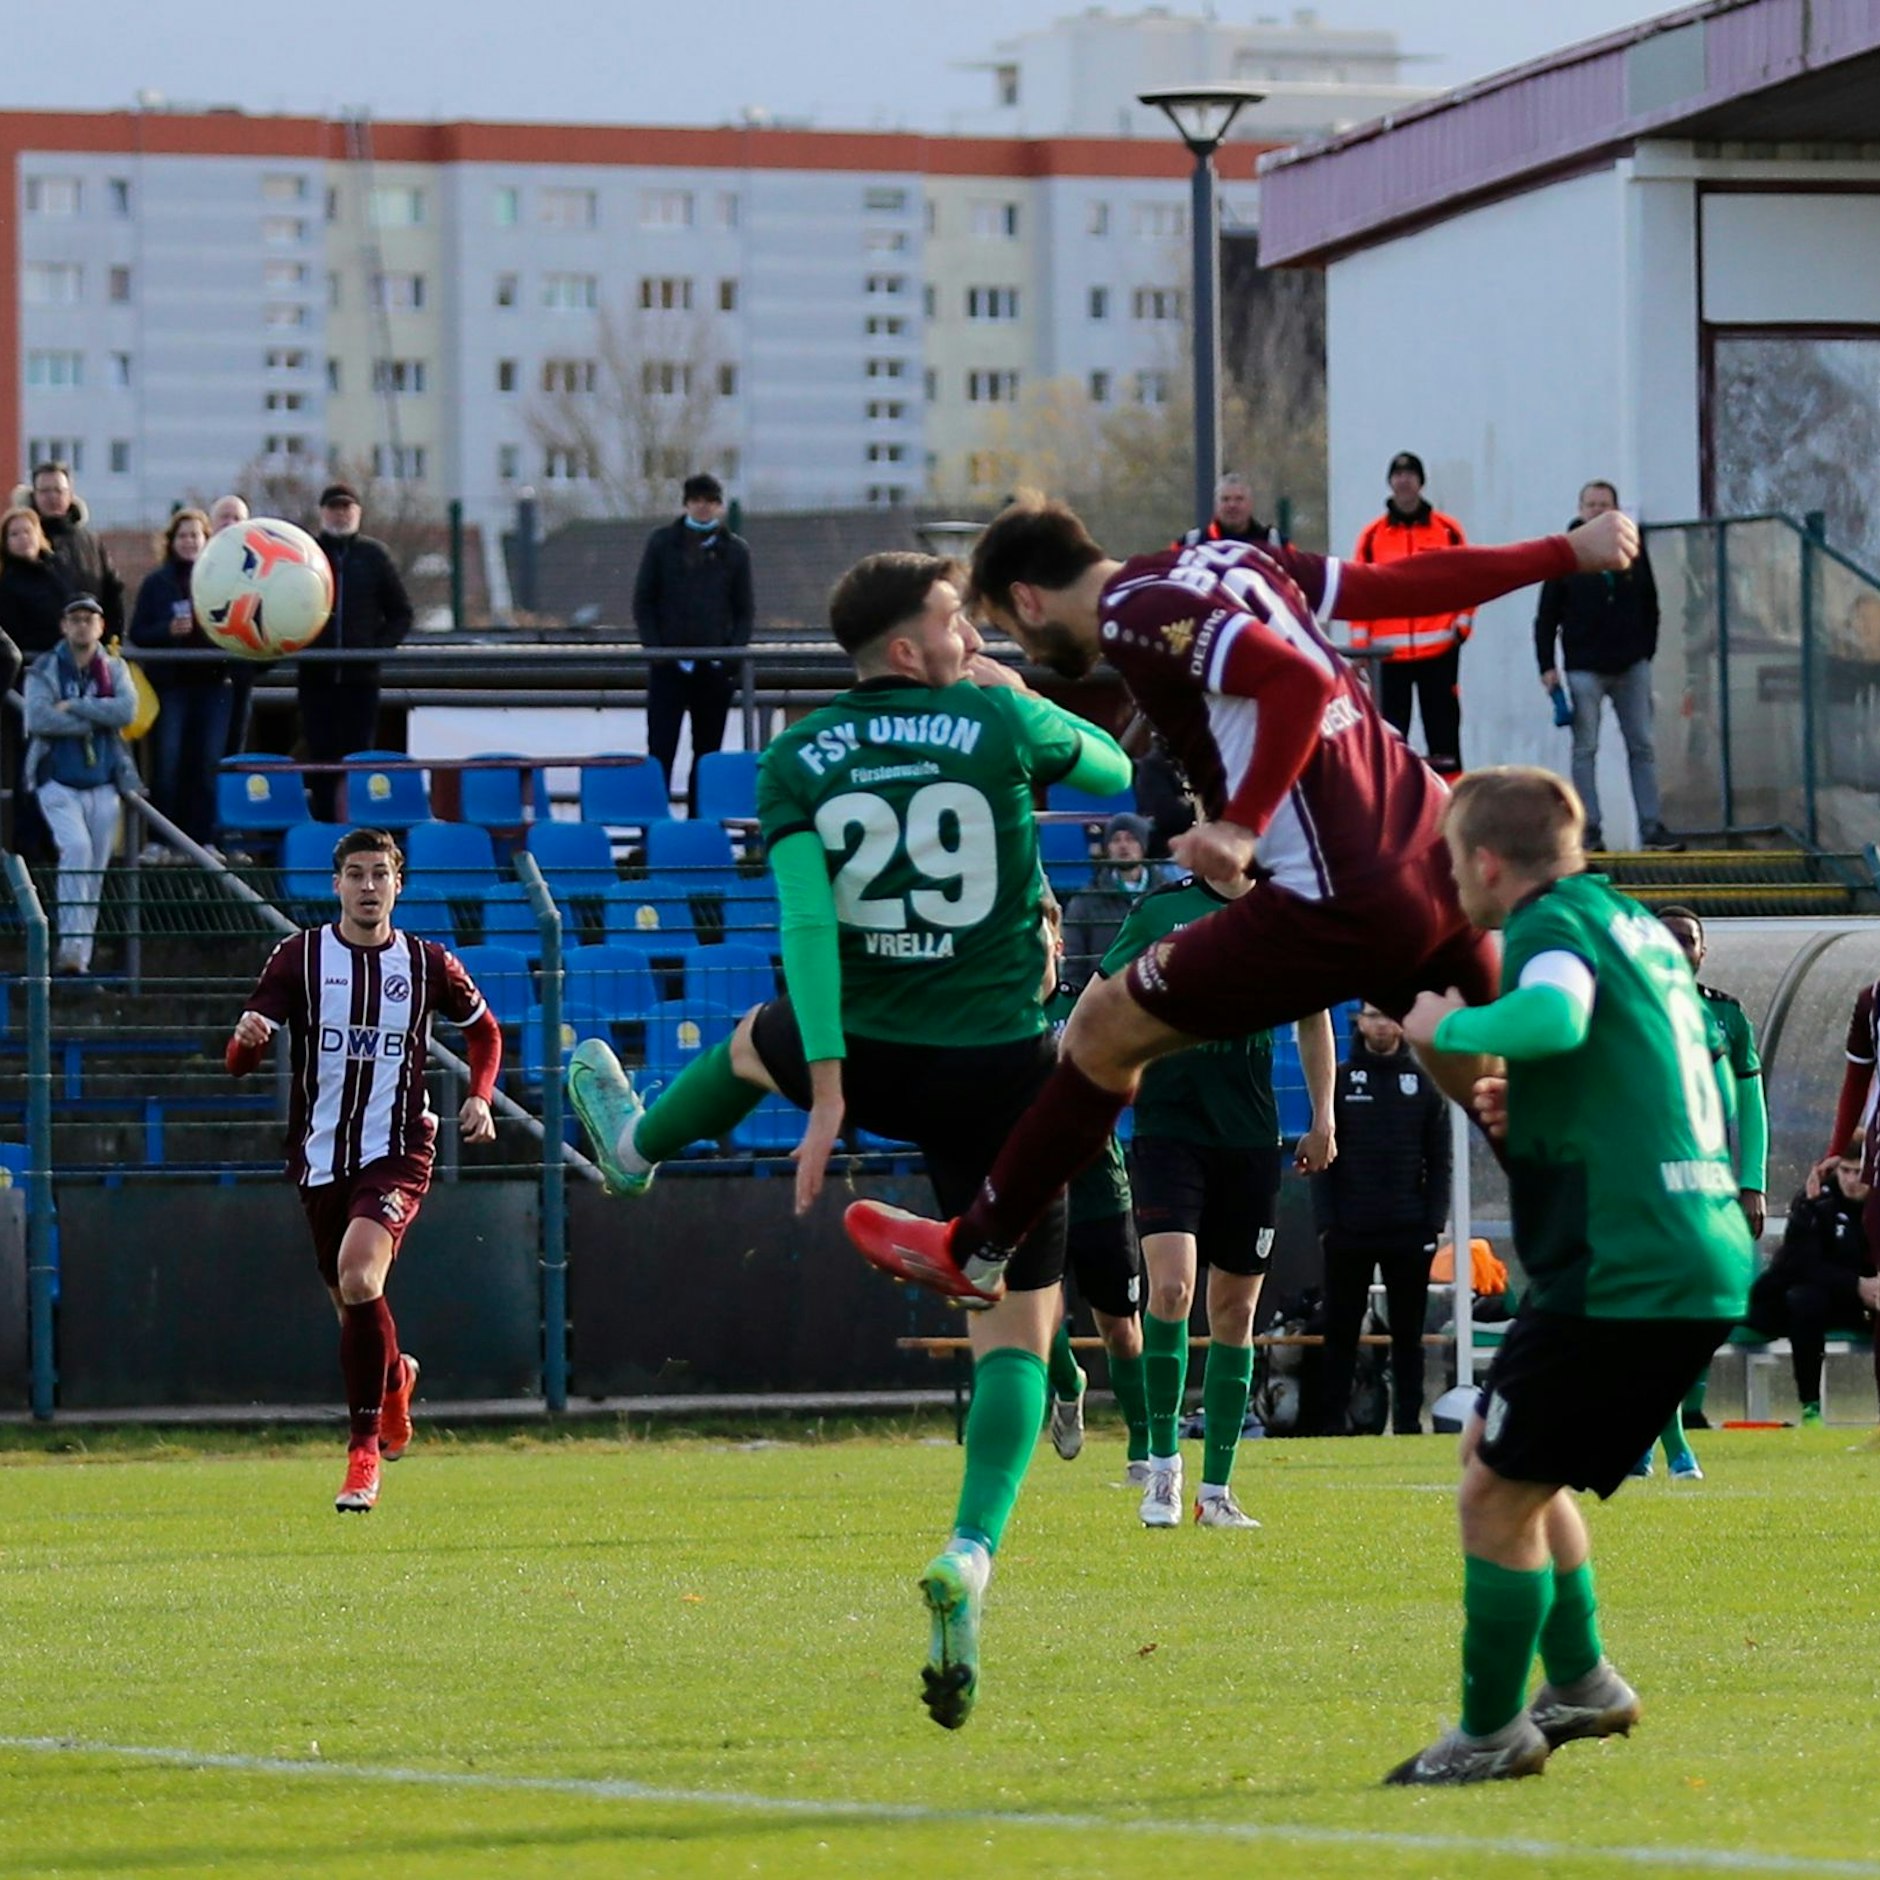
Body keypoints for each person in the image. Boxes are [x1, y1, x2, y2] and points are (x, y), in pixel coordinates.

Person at [564, 550, 1132, 1731]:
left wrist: (824, 1088)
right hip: (997, 1064)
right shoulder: (992, 713)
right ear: (913, 650)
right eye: (951, 617)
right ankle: (971, 1551)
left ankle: (632, 1149)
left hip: (867, 1042)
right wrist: (1025, 700)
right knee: (1017, 1334)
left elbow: (808, 920)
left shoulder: (795, 754)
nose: (970, 629)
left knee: (745, 1045)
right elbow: (1120, 769)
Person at [843, 490, 1639, 1307]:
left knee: (1102, 1027)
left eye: (1012, 629)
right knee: (1494, 1087)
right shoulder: (1231, 560)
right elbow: (1389, 589)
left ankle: (974, 1250)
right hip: (1434, 855)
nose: (1029, 647)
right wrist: (1563, 551)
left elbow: (1290, 679)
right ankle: (1616, 1280)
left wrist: (1239, 823)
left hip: (1343, 894)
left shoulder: (1134, 613)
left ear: (1028, 597)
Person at [1387, 765, 1752, 1785]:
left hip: (1625, 1258)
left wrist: (1444, 1030)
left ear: (1486, 861)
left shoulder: (1548, 924)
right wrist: (1545, 1108)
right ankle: (1580, 1678)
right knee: (1498, 1454)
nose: (1451, 878)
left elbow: (1550, 1019)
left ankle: (1489, 1730)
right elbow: (1629, 1066)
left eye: (1454, 859)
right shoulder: (1628, 920)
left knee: (1492, 1496)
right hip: (1679, 1235)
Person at [224, 828, 501, 1512]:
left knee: (358, 1275)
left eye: (381, 874)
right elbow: (240, 1058)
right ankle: (396, 1382)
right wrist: (245, 1041)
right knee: (352, 1306)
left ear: (399, 884)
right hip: (321, 1155)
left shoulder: (429, 963)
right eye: (356, 874)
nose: (369, 886)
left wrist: (480, 1096)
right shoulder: (300, 957)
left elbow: (485, 1031)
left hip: (400, 1148)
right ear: (336, 884)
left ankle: (362, 1453)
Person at [1101, 871, 1334, 1530]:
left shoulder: (1284, 911)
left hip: (1251, 1137)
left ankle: (1217, 1492)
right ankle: (1163, 1471)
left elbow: (1314, 1016)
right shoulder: (1159, 911)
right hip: (1169, 1129)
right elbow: (1103, 997)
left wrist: (1325, 1116)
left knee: (1236, 1311)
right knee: (1170, 1291)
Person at [1038, 892, 1149, 1480]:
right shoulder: (996, 1016)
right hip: (1032, 1184)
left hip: (1099, 1186)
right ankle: (1066, 1382)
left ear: (1057, 942)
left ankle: (1141, 1446)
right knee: (1038, 1313)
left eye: (1036, 933)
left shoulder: (1086, 1004)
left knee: (1121, 1330)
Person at [1649, 903, 1767, 1456]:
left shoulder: (1726, 1016)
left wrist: (1753, 1182)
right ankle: (1667, 1444)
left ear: (1702, 951)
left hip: (1711, 1185)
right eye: (1667, 937)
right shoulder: (1623, 1009)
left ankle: (1664, 1427)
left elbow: (1750, 1102)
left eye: (1688, 939)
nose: (1678, 948)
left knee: (1703, 1308)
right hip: (1646, 1181)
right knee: (1654, 1309)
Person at [1314, 1003, 1452, 1437]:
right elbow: (1322, 1159)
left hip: (1409, 1231)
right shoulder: (1338, 1080)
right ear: (1359, 1021)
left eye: (1389, 1014)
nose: (1382, 1023)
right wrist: (1326, 1222)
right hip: (1349, 1231)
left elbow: (1441, 1161)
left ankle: (1409, 1424)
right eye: (1373, 1014)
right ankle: (1333, 1424)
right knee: (1341, 1335)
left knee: (1408, 1337)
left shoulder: (1425, 1085)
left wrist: (1432, 1222)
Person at [1534, 480, 1676, 851]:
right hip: (1584, 668)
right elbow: (1546, 615)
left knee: (1642, 746)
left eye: (1604, 504)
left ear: (1615, 510)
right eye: (1591, 504)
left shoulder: (1631, 549)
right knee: (1585, 750)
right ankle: (1590, 829)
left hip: (1631, 666)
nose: (1597, 510)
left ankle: (1651, 827)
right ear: (1580, 510)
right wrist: (1547, 665)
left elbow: (1651, 603)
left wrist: (1646, 651)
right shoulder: (1565, 555)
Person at [22, 595, 138, 974]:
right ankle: (69, 952)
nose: (83, 625)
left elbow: (127, 711)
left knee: (95, 868)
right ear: (64, 626)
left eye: (90, 619)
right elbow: (38, 719)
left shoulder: (114, 668)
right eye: (75, 619)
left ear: (101, 627)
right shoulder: (46, 668)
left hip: (104, 782)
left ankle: (79, 958)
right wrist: (98, 717)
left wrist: (74, 708)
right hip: (58, 781)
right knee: (75, 849)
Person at [632, 472, 755, 815]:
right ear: (686, 503)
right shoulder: (661, 544)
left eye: (711, 501)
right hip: (669, 668)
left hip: (713, 670)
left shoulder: (735, 551)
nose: (704, 507)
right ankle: (653, 827)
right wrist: (657, 652)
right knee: (661, 749)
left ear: (719, 506)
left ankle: (699, 824)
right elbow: (644, 601)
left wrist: (728, 656)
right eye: (698, 500)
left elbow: (744, 610)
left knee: (707, 751)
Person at [1350, 452, 1471, 779]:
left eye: (1410, 474)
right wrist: (1361, 646)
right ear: (1390, 482)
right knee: (1390, 737)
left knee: (1443, 736)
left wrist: (1461, 626)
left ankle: (1451, 811)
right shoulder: (1373, 536)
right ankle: (1392, 807)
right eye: (1398, 474)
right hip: (1388, 656)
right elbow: (1359, 590)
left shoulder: (1447, 530)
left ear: (1421, 482)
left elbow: (1469, 578)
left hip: (1439, 650)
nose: (1404, 481)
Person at [301, 484, 415, 823]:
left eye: (347, 508)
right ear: (322, 512)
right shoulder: (307, 553)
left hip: (360, 680)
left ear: (358, 512)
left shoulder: (374, 556)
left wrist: (374, 649)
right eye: (334, 508)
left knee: (359, 757)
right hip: (315, 678)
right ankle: (323, 826)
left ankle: (358, 826)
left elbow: (401, 613)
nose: (341, 514)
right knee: (319, 757)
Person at [1743, 1145, 1875, 1425]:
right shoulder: (1815, 1200)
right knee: (1805, 1299)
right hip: (1807, 1300)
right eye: (1846, 1171)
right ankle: (1810, 1408)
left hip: (1861, 1303)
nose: (1852, 1180)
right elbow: (1801, 1264)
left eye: (1858, 1172)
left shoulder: (1875, 1207)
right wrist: (1856, 1284)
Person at [128, 507, 232, 857]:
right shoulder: (158, 582)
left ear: (207, 540)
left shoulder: (222, 579)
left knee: (206, 764)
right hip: (171, 686)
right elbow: (139, 633)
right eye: (183, 535)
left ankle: (203, 839)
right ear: (172, 542)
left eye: (196, 535)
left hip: (214, 684)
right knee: (167, 764)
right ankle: (161, 840)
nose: (190, 542)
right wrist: (167, 632)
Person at [0, 504, 73, 857]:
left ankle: (53, 839)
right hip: (26, 684)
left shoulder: (56, 573)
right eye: (13, 534)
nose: (21, 539)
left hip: (60, 681)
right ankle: (29, 846)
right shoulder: (7, 583)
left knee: (58, 765)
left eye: (26, 531)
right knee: (29, 764)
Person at [1061, 811, 1171, 987]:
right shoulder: (1085, 901)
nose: (1123, 846)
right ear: (1107, 847)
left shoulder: (1168, 895)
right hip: (1104, 997)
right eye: (1116, 840)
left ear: (1143, 845)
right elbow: (1074, 964)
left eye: (1131, 839)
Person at [22, 461, 123, 635]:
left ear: (70, 495)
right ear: (34, 496)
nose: (52, 497)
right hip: (34, 652)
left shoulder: (90, 542)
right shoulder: (21, 539)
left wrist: (111, 643)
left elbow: (112, 593)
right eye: (45, 491)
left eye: (59, 490)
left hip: (88, 648)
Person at [208, 493, 256, 758]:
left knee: (234, 752)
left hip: (240, 674)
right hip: (200, 675)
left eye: (237, 517)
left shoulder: (260, 569)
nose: (230, 523)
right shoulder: (199, 565)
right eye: (224, 517)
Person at [1173, 471, 1279, 551]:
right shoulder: (1192, 542)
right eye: (1225, 499)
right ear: (1216, 505)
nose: (1232, 505)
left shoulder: (1273, 542)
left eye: (1239, 499)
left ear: (1250, 503)